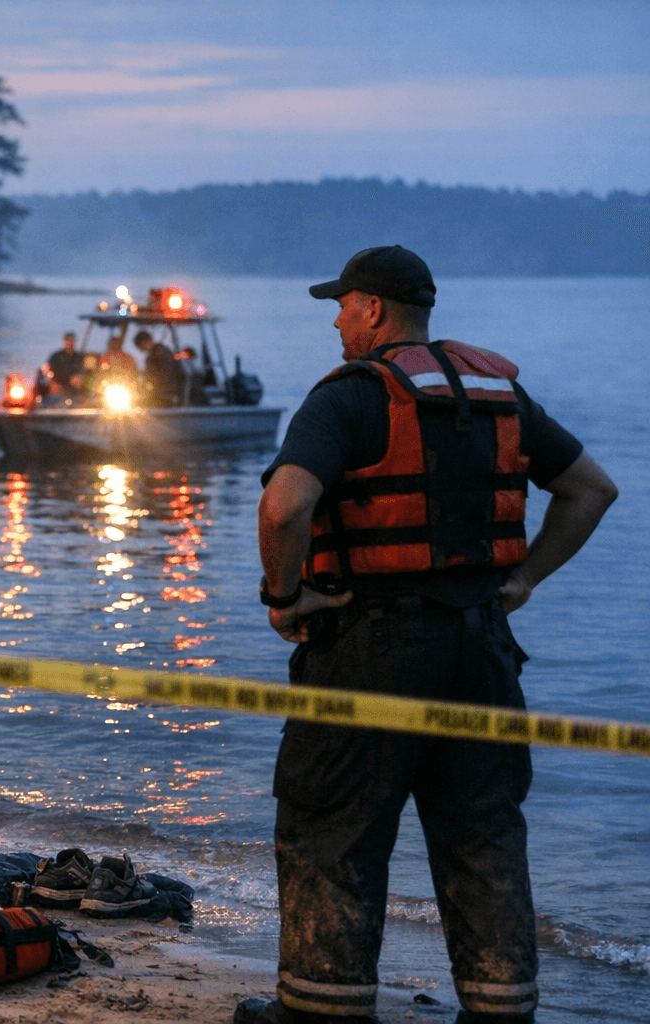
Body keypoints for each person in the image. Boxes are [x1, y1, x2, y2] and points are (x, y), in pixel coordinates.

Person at [248, 246, 617, 1024]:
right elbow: (591, 490)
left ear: (374, 309)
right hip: (481, 652)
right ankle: (500, 1007)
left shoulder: (350, 396)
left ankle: (322, 1009)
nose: (339, 324)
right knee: (482, 834)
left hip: (366, 650)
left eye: (342, 307)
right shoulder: (500, 395)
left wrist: (284, 599)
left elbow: (284, 506)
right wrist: (525, 581)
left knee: (333, 827)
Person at [41, 332, 86, 397]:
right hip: (58, 388)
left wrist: (80, 377)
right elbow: (47, 371)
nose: (70, 343)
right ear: (64, 342)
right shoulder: (55, 357)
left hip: (74, 389)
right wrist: (52, 382)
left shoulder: (79, 357)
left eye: (72, 341)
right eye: (68, 341)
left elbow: (83, 371)